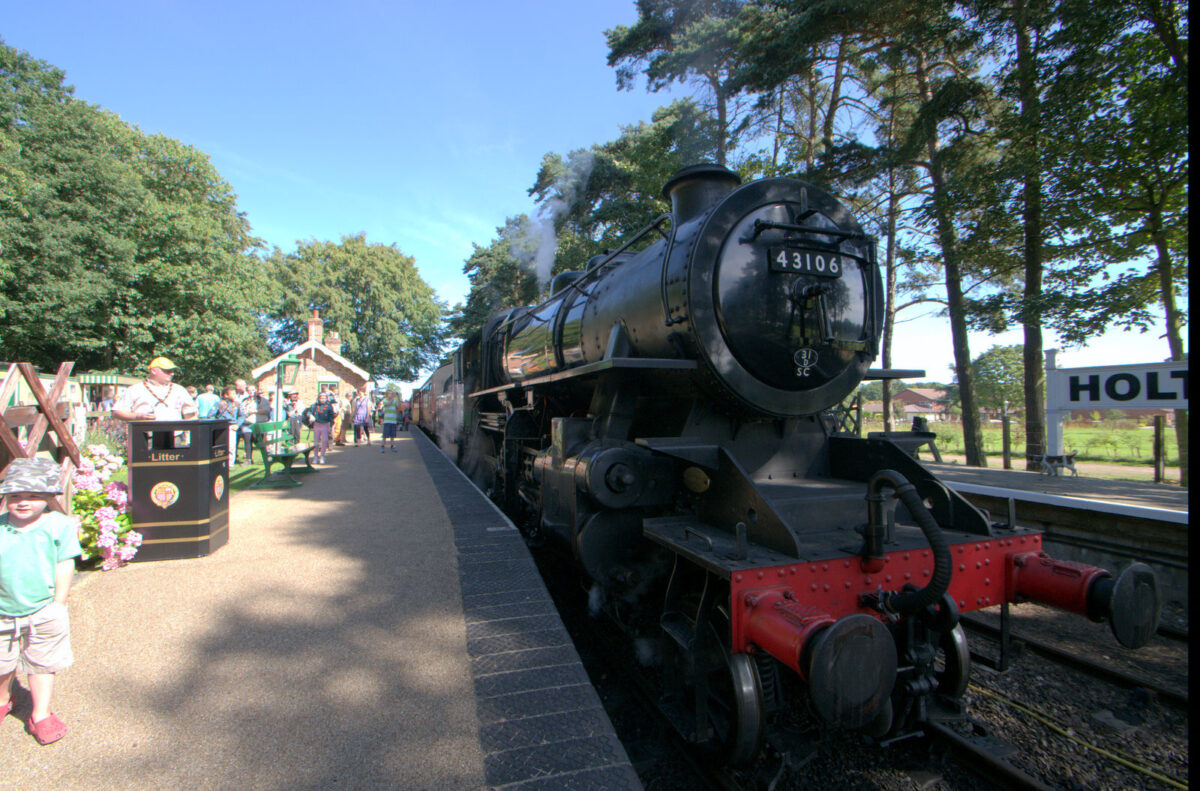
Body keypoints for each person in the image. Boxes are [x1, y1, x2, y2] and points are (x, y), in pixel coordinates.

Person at [0, 457, 83, 745]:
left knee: (42, 663)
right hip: (2, 612)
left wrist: (59, 602)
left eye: (33, 496)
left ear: (49, 496)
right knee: (1, 663)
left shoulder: (58, 526)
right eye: (15, 496)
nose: (23, 502)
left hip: (44, 609)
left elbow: (64, 563)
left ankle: (41, 713)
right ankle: (3, 699)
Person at [111, 357, 198, 422]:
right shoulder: (135, 389)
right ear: (153, 371)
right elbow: (117, 412)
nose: (172, 374)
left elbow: (191, 415)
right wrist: (138, 416)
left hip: (175, 438)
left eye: (172, 371)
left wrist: (190, 438)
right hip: (144, 438)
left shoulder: (179, 390)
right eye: (167, 371)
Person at [214, 386, 242, 460]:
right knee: (220, 445)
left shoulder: (237, 404)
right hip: (221, 426)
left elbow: (242, 416)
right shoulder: (219, 404)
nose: (234, 395)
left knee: (231, 446)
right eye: (232, 393)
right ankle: (220, 461)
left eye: (234, 393)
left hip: (232, 426)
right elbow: (211, 415)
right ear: (226, 395)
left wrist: (237, 424)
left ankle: (230, 464)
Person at [309, 391, 337, 464]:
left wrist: (331, 424)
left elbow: (332, 416)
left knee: (324, 441)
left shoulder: (329, 406)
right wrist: (310, 416)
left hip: (325, 425)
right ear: (318, 398)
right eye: (321, 398)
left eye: (324, 398)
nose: (323, 399)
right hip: (317, 425)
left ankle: (322, 456)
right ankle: (315, 457)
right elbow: (309, 412)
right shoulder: (314, 405)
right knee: (316, 441)